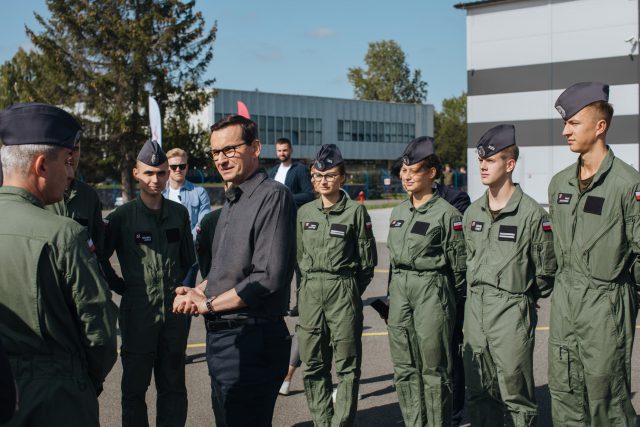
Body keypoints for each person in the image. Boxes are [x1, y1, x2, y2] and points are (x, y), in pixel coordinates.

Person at [172, 114, 296, 427]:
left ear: (255, 147)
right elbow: (230, 268)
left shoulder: (273, 196)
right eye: (215, 152)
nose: (221, 159)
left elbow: (267, 277)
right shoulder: (232, 199)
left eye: (230, 149)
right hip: (225, 341)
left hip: (253, 339)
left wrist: (208, 304)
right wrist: (200, 289)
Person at [0, 102, 117, 426]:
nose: (70, 173)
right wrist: (81, 380)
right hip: (56, 399)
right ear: (40, 166)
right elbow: (101, 333)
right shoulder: (64, 234)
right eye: (66, 162)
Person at [547, 82, 640, 425]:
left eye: (573, 123)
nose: (565, 130)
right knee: (564, 393)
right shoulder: (559, 184)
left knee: (608, 400)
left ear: (600, 127)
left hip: (606, 307)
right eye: (565, 123)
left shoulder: (627, 184)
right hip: (566, 303)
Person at [462, 124, 556, 426]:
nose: (483, 167)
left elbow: (545, 272)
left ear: (510, 164)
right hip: (475, 311)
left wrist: (520, 300)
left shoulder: (531, 214)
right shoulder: (473, 214)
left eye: (490, 161)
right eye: (481, 161)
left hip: (511, 312)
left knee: (517, 395)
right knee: (478, 392)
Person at [101, 139, 196, 427]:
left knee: (174, 387)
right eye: (149, 173)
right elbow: (100, 257)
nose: (156, 179)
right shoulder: (122, 217)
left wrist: (186, 291)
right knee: (134, 389)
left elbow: (189, 261)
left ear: (169, 174)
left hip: (175, 316)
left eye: (162, 173)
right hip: (138, 313)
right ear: (136, 174)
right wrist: (120, 286)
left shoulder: (178, 214)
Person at [387, 136, 467, 427]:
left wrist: (449, 299)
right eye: (403, 171)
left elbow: (460, 268)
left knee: (435, 369)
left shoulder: (448, 215)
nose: (406, 176)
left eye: (414, 171)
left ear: (431, 174)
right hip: (400, 293)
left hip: (433, 291)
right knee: (404, 367)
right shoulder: (398, 213)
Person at [296, 144, 377, 426]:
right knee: (314, 364)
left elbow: (367, 264)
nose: (323, 181)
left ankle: (340, 422)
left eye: (330, 175)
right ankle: (322, 421)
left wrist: (349, 291)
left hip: (342, 290)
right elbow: (299, 256)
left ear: (342, 177)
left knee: (346, 366)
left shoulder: (355, 212)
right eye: (317, 176)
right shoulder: (304, 213)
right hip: (310, 294)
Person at [46, 137, 105, 257]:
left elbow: (98, 250)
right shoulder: (39, 192)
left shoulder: (89, 196)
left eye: (75, 149)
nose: (70, 155)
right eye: (64, 148)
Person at [162, 147, 211, 286]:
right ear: (168, 168)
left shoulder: (199, 192)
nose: (178, 169)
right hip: (164, 255)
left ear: (187, 167)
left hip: (189, 256)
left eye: (182, 166)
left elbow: (203, 222)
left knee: (185, 298)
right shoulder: (159, 194)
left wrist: (186, 241)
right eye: (174, 166)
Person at [268, 137, 315, 208]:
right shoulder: (272, 172)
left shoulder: (300, 169)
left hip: (292, 214)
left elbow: (310, 194)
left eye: (285, 150)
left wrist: (286, 198)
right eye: (279, 151)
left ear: (291, 150)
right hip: (274, 213)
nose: (282, 153)